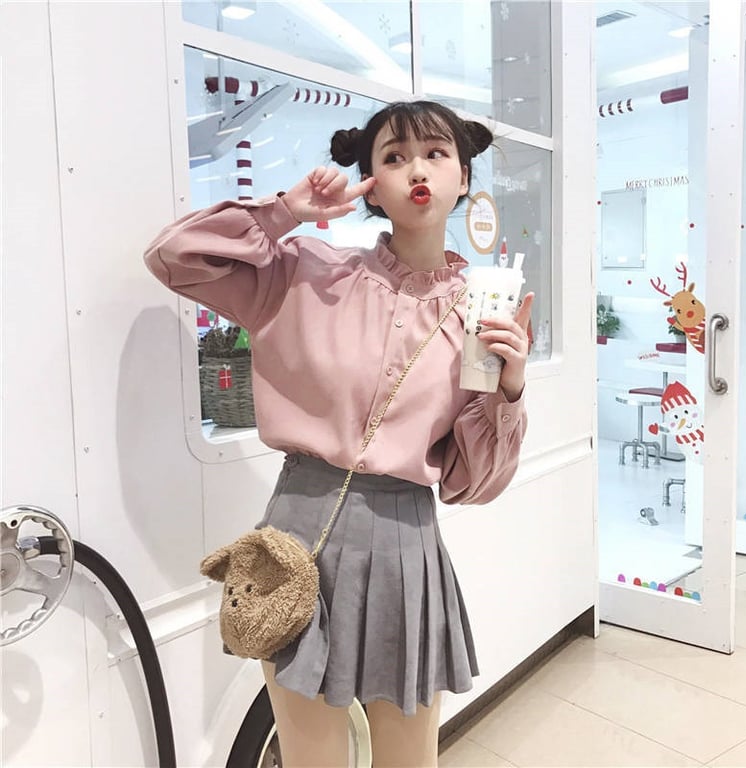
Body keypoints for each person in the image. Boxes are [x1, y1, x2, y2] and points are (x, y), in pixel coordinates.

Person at [144, 99, 533, 768]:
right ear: (371, 187)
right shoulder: (306, 273)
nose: (417, 170)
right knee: (311, 757)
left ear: (464, 177)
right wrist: (283, 214)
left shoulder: (481, 310)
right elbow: (172, 257)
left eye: (436, 154)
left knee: (408, 758)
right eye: (394, 157)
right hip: (298, 538)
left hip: (406, 546)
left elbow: (474, 483)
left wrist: (510, 389)